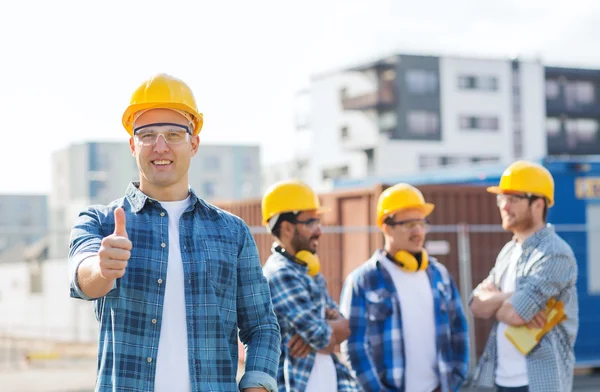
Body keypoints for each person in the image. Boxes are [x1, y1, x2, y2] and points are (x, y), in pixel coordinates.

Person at [68, 73, 281, 392]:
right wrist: (102, 269)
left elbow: (262, 326)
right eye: (147, 134)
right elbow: (81, 276)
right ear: (132, 144)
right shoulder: (101, 221)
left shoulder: (232, 232)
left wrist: (257, 385)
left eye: (173, 134)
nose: (160, 146)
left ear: (194, 143)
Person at [340, 183, 469, 392]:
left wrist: (452, 382)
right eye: (409, 224)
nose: (418, 231)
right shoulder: (362, 281)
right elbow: (355, 348)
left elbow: (459, 332)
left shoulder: (440, 276)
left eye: (422, 222)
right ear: (386, 226)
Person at [469, 160, 579, 392]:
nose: (504, 206)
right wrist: (511, 296)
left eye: (513, 199)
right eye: (501, 198)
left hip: (539, 383)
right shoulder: (509, 251)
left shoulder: (554, 253)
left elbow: (515, 314)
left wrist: (498, 303)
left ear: (538, 204)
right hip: (500, 380)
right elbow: (476, 305)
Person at [261, 180, 361, 392]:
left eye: (318, 222)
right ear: (287, 227)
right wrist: (328, 326)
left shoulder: (307, 269)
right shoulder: (281, 274)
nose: (319, 231)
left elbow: (344, 330)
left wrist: (325, 330)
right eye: (310, 223)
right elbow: (322, 336)